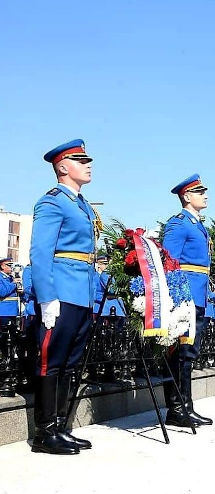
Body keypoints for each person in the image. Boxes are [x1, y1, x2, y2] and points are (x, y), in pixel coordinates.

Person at [30, 139, 97, 454]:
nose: (88, 164)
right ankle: (44, 433)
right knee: (51, 362)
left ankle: (60, 425)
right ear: (62, 166)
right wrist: (47, 298)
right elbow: (40, 253)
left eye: (88, 160)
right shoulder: (53, 202)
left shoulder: (81, 204)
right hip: (61, 292)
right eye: (81, 160)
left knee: (70, 364)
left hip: (81, 294)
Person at [161, 174, 213, 427]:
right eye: (199, 192)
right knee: (181, 353)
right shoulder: (179, 223)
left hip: (198, 295)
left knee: (189, 353)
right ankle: (177, 408)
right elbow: (169, 262)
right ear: (187, 197)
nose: (205, 195)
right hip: (185, 297)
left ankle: (185, 406)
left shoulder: (198, 225)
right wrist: (177, 299)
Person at [0, 257, 20, 396]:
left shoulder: (9, 277)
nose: (11, 267)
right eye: (8, 265)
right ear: (1, 266)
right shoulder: (2, 278)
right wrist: (14, 284)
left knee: (11, 342)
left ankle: (9, 364)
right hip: (3, 313)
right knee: (4, 342)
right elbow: (2, 291)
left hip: (12, 313)